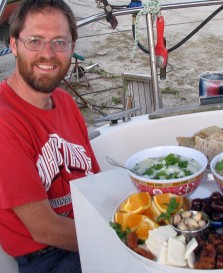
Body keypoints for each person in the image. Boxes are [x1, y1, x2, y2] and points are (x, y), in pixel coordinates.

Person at [0, 0, 100, 272]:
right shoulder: (5, 122)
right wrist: (125, 236)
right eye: (34, 40)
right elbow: (44, 229)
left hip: (87, 230)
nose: (48, 53)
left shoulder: (65, 102)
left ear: (72, 48)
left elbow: (96, 181)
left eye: (59, 42)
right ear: (13, 44)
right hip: (48, 258)